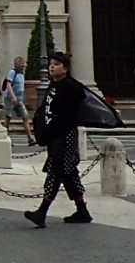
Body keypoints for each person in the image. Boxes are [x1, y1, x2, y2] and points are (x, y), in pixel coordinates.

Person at [24, 52, 91, 226]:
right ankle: (82, 210)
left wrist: (110, 113)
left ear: (66, 68)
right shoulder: (54, 85)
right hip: (55, 136)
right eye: (51, 64)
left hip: (65, 135)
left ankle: (42, 211)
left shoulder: (71, 86)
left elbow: (87, 103)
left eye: (56, 64)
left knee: (56, 171)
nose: (51, 66)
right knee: (69, 173)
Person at [2, 56, 31, 144]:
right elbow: (8, 85)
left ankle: (30, 138)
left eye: (24, 63)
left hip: (18, 99)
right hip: (10, 98)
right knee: (8, 118)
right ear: (16, 64)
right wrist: (13, 96)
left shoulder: (21, 74)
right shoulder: (12, 72)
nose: (24, 65)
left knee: (25, 116)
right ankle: (5, 139)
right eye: (22, 63)